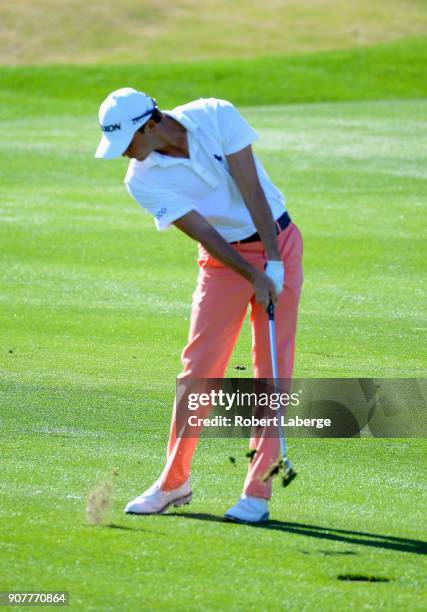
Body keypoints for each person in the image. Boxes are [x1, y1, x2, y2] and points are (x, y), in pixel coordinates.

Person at [95, 87, 303, 523]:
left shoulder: (215, 115)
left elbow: (252, 192)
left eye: (126, 143)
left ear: (150, 124)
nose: (122, 154)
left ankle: (257, 493)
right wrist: (254, 275)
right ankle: (174, 482)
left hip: (276, 239)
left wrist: (275, 263)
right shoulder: (141, 179)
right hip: (223, 259)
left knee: (271, 369)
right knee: (198, 370)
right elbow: (205, 234)